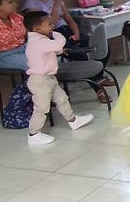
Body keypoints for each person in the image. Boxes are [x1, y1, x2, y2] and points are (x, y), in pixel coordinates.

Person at [22, 11, 93, 146]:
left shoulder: (42, 40)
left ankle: (73, 120)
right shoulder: (37, 41)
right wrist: (57, 34)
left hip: (49, 78)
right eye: (49, 24)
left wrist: (57, 46)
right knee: (41, 108)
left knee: (62, 99)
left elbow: (54, 50)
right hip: (40, 80)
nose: (52, 26)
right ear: (37, 28)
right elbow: (59, 44)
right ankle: (33, 134)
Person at [19, 0, 89, 61]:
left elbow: (69, 19)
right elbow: (51, 24)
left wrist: (76, 34)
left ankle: (98, 69)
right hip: (53, 34)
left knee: (97, 44)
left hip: (66, 30)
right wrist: (56, 6)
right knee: (81, 55)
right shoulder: (30, 5)